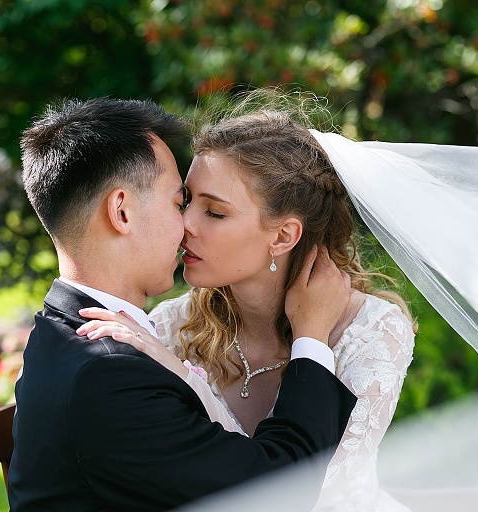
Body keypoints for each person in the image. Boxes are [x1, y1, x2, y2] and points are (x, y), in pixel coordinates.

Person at [7, 97, 358, 512]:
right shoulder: (106, 373)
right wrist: (312, 337)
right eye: (179, 202)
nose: (187, 224)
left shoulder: (59, 331)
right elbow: (277, 491)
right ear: (121, 211)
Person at [79, 100, 417, 511]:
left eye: (215, 212)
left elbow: (295, 495)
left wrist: (184, 377)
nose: (186, 223)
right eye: (187, 201)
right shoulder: (170, 326)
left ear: (282, 236)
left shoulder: (370, 331)